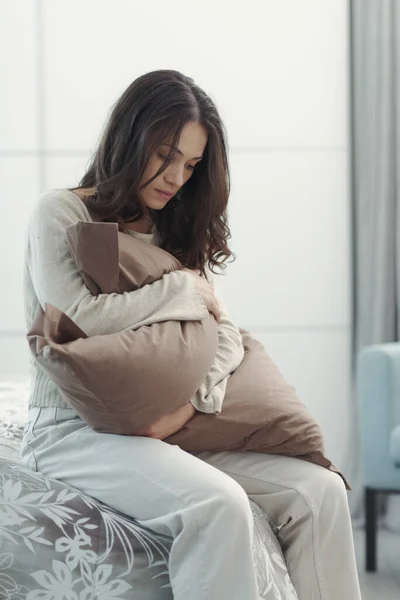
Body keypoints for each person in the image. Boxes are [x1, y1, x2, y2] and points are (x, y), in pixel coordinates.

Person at [20, 69, 362, 600]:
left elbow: (223, 333)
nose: (176, 176)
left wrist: (188, 408)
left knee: (319, 493)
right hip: (73, 430)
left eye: (191, 164)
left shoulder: (171, 230)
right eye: (165, 155)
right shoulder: (60, 211)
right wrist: (181, 288)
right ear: (129, 138)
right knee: (218, 505)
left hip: (170, 427)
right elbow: (78, 318)